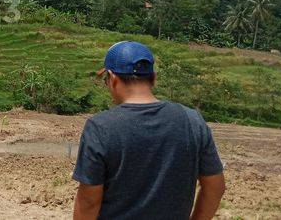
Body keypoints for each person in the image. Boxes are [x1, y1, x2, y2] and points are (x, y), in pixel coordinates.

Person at [72, 41, 226, 220]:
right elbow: (215, 188)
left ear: (112, 79)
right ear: (153, 77)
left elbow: (89, 202)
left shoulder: (100, 127)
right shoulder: (192, 120)